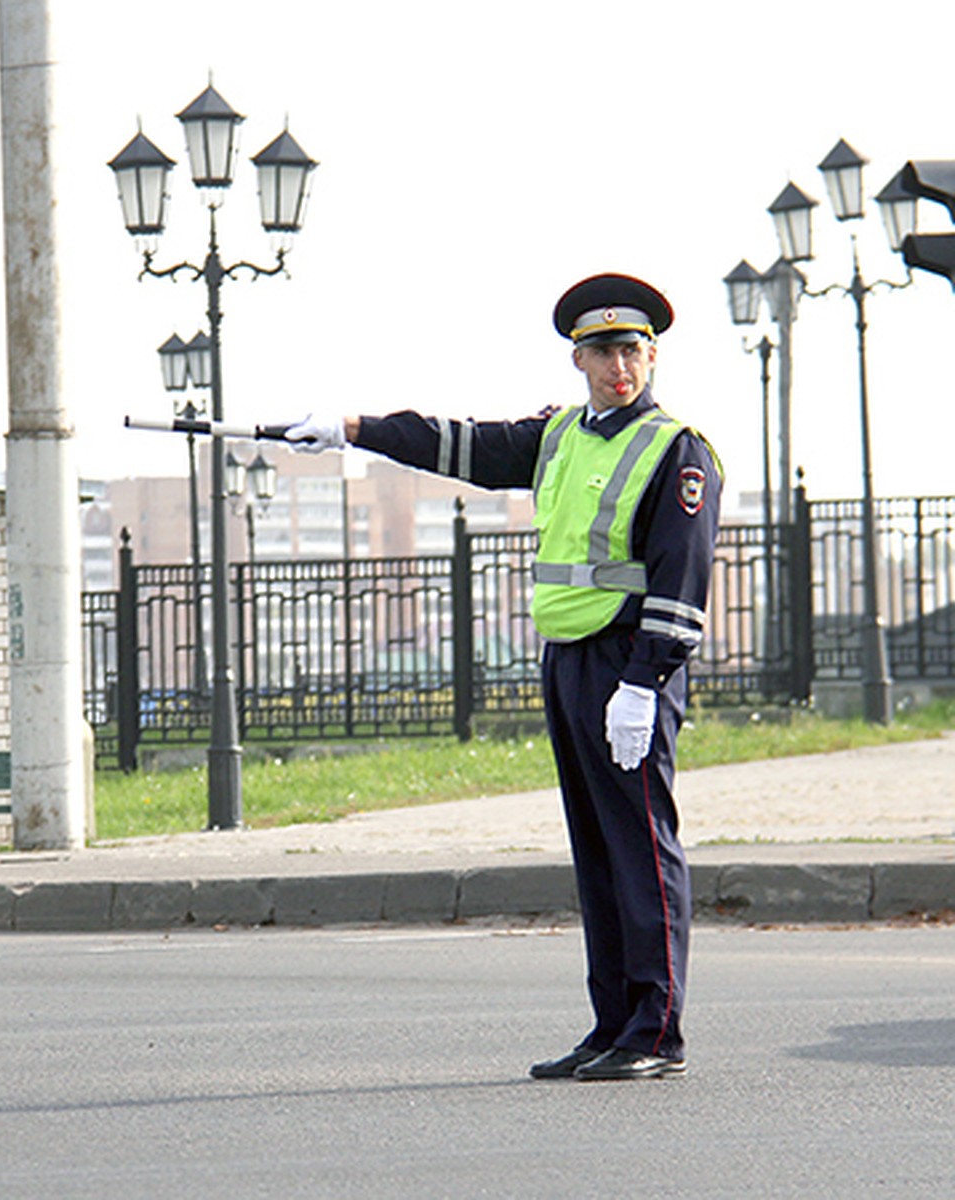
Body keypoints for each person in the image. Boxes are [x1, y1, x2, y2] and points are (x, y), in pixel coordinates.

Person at [285, 273, 722, 1082]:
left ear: (652, 355)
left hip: (629, 669)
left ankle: (657, 1031)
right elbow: (464, 444)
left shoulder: (676, 448)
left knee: (640, 847)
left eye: (631, 351)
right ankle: (612, 1023)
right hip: (568, 660)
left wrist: (644, 682)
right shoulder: (560, 436)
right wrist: (351, 430)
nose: (618, 367)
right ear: (578, 360)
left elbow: (681, 574)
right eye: (601, 353)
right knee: (595, 852)